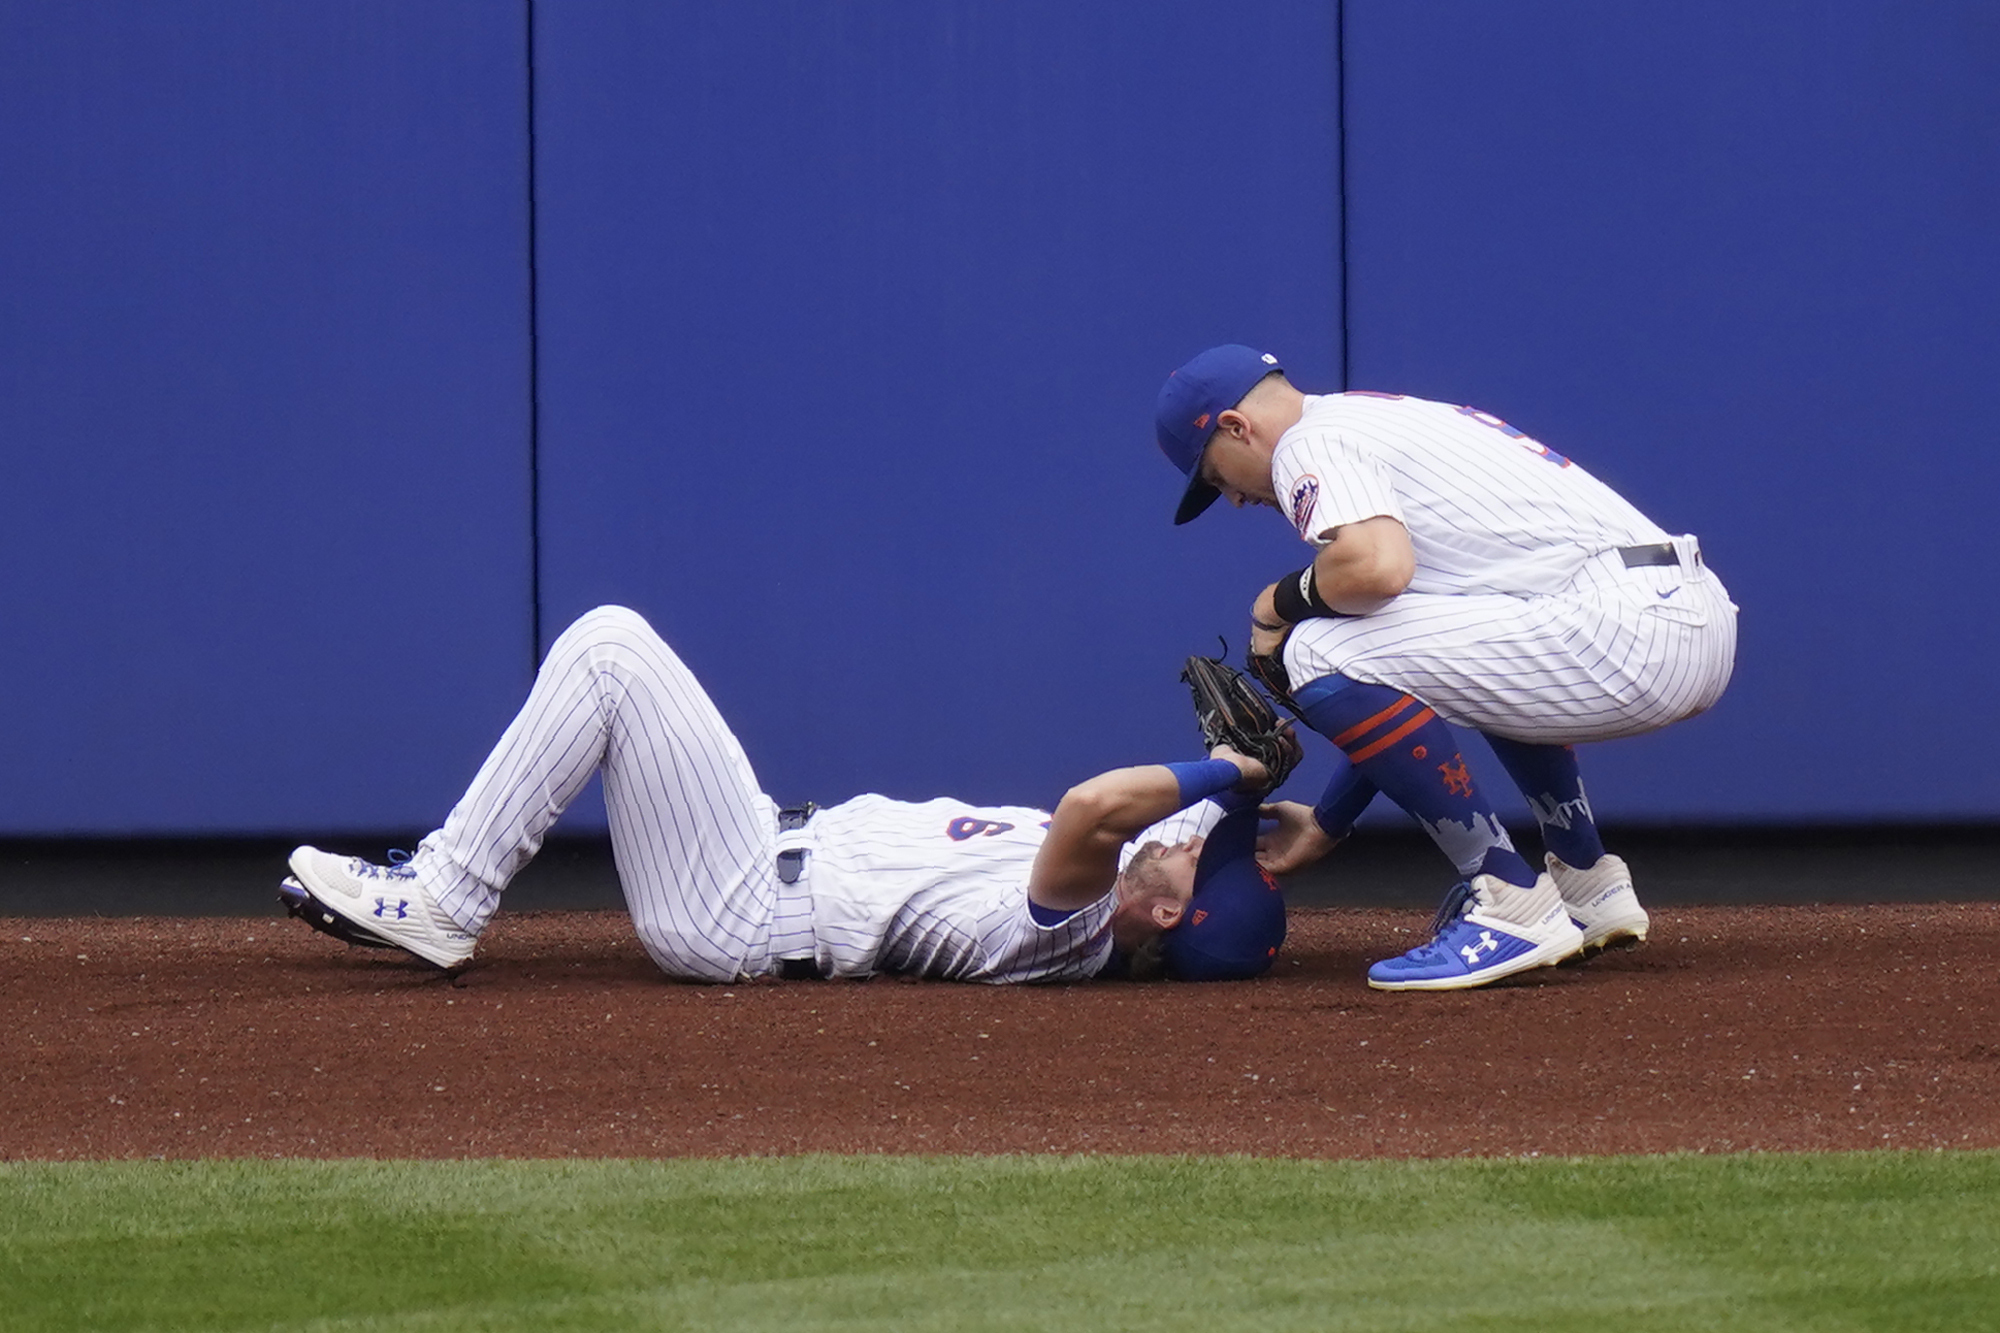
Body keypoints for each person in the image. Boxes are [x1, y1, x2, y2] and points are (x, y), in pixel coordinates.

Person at [281, 605, 1288, 984]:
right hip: (760, 845)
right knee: (611, 648)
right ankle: (445, 887)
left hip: (743, 911)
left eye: (1208, 854)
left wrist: (1223, 776)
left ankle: (447, 898)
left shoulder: (1069, 933)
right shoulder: (1152, 879)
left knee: (608, 648)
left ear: (1165, 911)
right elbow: (1236, 804)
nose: (1201, 833)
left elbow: (1089, 805)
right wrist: (1286, 785)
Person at [1156, 345, 1737, 992]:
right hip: (1670, 612)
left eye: (1214, 476)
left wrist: (1273, 605)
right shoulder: (1375, 420)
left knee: (1314, 644)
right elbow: (1408, 676)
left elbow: (1376, 567)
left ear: (1235, 427)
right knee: (1418, 646)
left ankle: (1508, 897)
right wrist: (1329, 821)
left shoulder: (1306, 444)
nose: (1232, 498)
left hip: (1625, 625)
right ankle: (1584, 883)